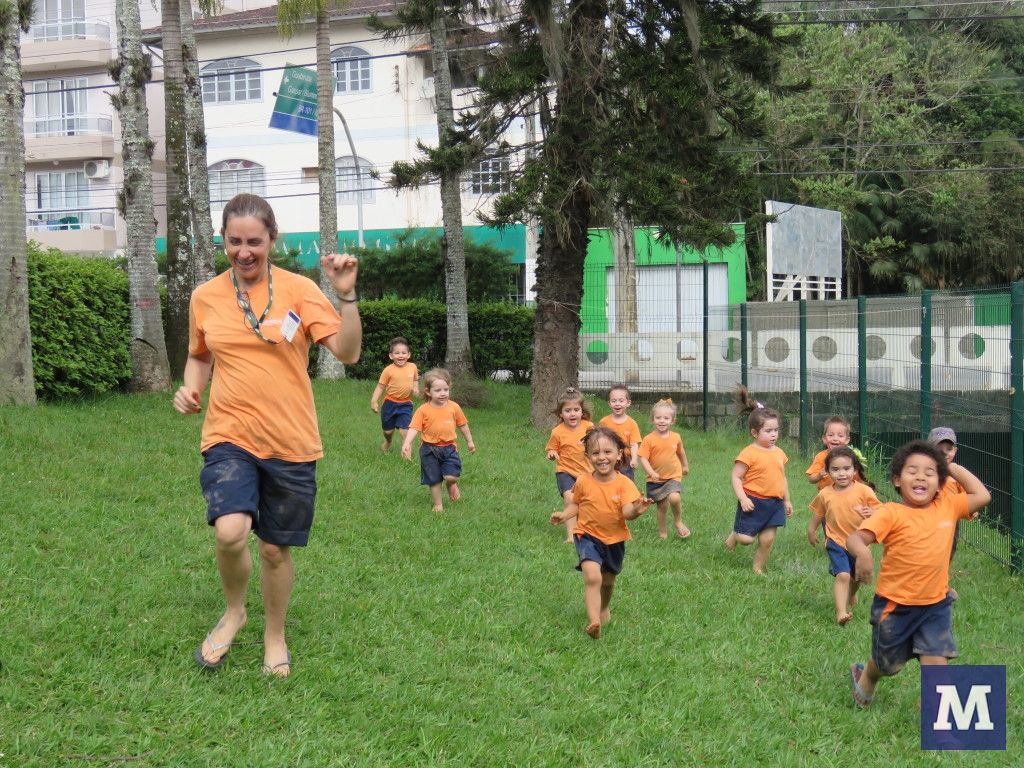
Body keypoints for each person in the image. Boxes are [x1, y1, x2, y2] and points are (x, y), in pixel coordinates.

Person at [173, 192, 362, 678]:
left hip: (290, 439)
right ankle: (235, 612)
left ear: (272, 239)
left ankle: (274, 634)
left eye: (254, 242)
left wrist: (345, 295)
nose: (244, 252)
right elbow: (199, 354)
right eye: (234, 242)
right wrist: (191, 388)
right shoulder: (205, 296)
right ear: (223, 240)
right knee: (230, 531)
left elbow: (348, 353)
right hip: (228, 434)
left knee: (275, 549)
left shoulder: (299, 290)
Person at [845, 439, 990, 709]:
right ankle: (867, 675)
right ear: (897, 480)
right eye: (912, 471)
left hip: (935, 605)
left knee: (937, 663)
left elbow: (982, 495)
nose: (921, 476)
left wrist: (950, 466)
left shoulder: (948, 506)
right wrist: (863, 554)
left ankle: (938, 720)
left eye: (930, 472)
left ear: (940, 482)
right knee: (888, 665)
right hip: (895, 606)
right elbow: (855, 538)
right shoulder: (891, 512)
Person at [550, 427, 653, 639]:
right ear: (587, 456)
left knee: (607, 582)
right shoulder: (583, 481)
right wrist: (564, 515)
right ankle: (594, 621)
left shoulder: (625, 484)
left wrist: (637, 510)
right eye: (595, 453)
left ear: (619, 454)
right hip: (587, 535)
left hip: (614, 539)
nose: (602, 457)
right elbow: (576, 504)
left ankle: (603, 608)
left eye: (607, 452)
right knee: (592, 576)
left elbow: (627, 513)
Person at [807, 447, 879, 626]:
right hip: (835, 541)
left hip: (859, 544)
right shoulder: (825, 494)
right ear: (827, 471)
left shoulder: (864, 491)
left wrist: (872, 511)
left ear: (855, 470)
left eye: (846, 469)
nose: (841, 474)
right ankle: (841, 613)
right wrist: (811, 530)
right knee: (843, 576)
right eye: (835, 469)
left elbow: (881, 509)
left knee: (856, 578)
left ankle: (852, 595)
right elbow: (819, 513)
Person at [725, 385, 794, 574]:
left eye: (776, 430)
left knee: (767, 539)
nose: (774, 434)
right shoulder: (749, 453)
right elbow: (736, 476)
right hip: (753, 502)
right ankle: (735, 534)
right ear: (755, 433)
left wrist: (787, 500)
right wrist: (743, 498)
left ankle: (757, 568)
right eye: (768, 431)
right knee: (746, 540)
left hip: (775, 504)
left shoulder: (779, 453)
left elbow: (782, 478)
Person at [400, 368, 475, 511]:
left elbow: (463, 425)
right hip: (428, 449)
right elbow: (414, 427)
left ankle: (450, 484)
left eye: (446, 390)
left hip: (449, 448)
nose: (443, 393)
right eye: (438, 390)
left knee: (451, 476)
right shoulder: (423, 410)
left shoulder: (454, 407)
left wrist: (469, 441)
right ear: (428, 392)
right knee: (433, 479)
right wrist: (407, 442)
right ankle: (438, 504)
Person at [546, 387, 595, 542]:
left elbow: (597, 443)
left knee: (586, 503)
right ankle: (571, 536)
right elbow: (552, 448)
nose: (572, 414)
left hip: (587, 472)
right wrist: (552, 453)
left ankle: (587, 530)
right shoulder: (557, 431)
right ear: (561, 413)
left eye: (576, 410)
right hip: (565, 471)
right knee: (570, 500)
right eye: (568, 411)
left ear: (582, 411)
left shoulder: (588, 427)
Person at [637, 399, 690, 539]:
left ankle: (678, 521)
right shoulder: (649, 439)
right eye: (658, 417)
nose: (662, 421)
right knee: (662, 507)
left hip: (673, 476)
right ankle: (663, 533)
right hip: (656, 480)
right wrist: (651, 473)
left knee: (674, 497)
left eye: (666, 418)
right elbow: (643, 458)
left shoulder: (676, 437)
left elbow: (681, 452)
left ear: (672, 421)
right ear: (653, 419)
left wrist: (685, 465)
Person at [369, 337, 419, 453]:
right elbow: (380, 386)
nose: (400, 356)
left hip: (406, 403)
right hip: (390, 403)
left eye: (403, 353)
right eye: (397, 353)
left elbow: (415, 379)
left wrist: (416, 388)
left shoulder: (413, 367)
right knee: (388, 431)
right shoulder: (388, 370)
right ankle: (388, 441)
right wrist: (374, 401)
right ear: (391, 356)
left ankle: (406, 459)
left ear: (409, 355)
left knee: (405, 432)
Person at [928, 427, 966, 563]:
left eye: (949, 449)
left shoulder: (958, 476)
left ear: (955, 450)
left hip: (950, 521)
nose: (945, 453)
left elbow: (969, 498)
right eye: (939, 450)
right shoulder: (925, 472)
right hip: (928, 518)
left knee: (947, 555)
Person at [805, 416, 863, 490]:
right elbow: (811, 479)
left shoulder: (851, 457)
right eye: (831, 435)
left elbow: (860, 481)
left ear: (847, 440)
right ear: (824, 438)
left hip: (848, 495)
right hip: (827, 496)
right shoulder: (820, 456)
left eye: (840, 436)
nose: (835, 439)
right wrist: (819, 476)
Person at [598, 384, 641, 482]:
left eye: (621, 401)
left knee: (627, 483)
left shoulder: (632, 423)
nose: (617, 404)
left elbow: (634, 444)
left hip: (625, 460)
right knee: (608, 482)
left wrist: (634, 459)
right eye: (614, 401)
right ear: (609, 403)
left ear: (628, 403)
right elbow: (598, 441)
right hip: (608, 459)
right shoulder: (604, 422)